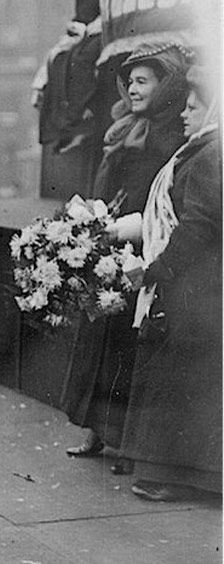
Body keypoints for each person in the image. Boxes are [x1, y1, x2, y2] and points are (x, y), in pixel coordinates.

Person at [60, 42, 192, 474]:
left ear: (165, 84)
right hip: (113, 240)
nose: (133, 90)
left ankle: (125, 442)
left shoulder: (174, 134)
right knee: (99, 338)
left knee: (126, 346)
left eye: (143, 81)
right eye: (129, 82)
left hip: (144, 245)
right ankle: (97, 429)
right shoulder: (122, 129)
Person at [113, 63, 221, 502]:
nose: (184, 114)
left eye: (194, 107)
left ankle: (172, 476)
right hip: (191, 287)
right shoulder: (199, 151)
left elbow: (199, 223)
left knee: (180, 382)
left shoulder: (210, 155)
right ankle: (169, 474)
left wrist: (157, 270)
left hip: (196, 289)